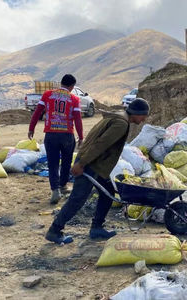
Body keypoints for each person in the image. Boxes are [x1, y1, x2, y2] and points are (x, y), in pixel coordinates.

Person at [45, 98, 149, 244]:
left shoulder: (119, 116)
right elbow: (100, 144)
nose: (144, 119)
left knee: (108, 194)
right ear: (137, 113)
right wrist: (82, 163)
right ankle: (54, 230)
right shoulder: (121, 123)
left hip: (95, 165)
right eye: (144, 115)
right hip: (90, 164)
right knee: (77, 199)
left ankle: (97, 228)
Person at [28, 74, 84, 204]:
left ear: (61, 83)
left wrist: (31, 128)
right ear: (72, 86)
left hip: (51, 134)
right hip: (67, 135)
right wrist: (81, 136)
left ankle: (55, 190)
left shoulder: (47, 95)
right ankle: (63, 186)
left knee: (53, 163)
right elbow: (78, 119)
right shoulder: (74, 98)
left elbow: (37, 112)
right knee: (66, 161)